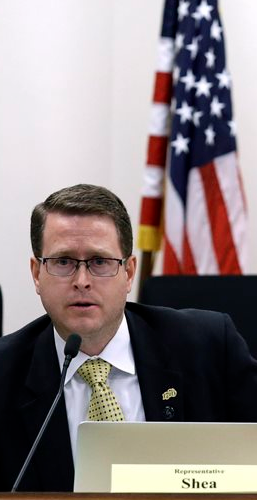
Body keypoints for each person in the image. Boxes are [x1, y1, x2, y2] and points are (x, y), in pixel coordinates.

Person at [0, 183, 257, 492]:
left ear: (130, 272)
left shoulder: (209, 346)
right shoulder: (5, 372)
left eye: (100, 262)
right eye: (63, 262)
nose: (82, 281)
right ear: (36, 273)